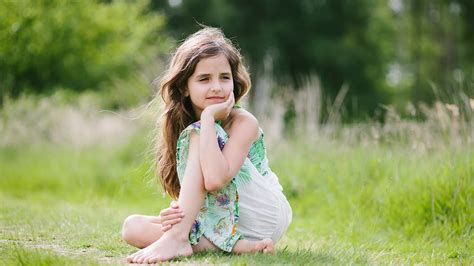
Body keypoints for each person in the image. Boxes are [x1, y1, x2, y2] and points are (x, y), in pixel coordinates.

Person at [122, 27, 292, 264]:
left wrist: (209, 118)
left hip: (263, 213)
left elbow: (215, 180)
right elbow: (206, 190)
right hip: (229, 220)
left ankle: (178, 238)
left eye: (224, 77)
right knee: (132, 227)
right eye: (204, 79)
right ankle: (237, 246)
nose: (216, 87)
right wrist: (179, 212)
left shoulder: (243, 122)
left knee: (201, 134)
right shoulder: (187, 128)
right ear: (184, 87)